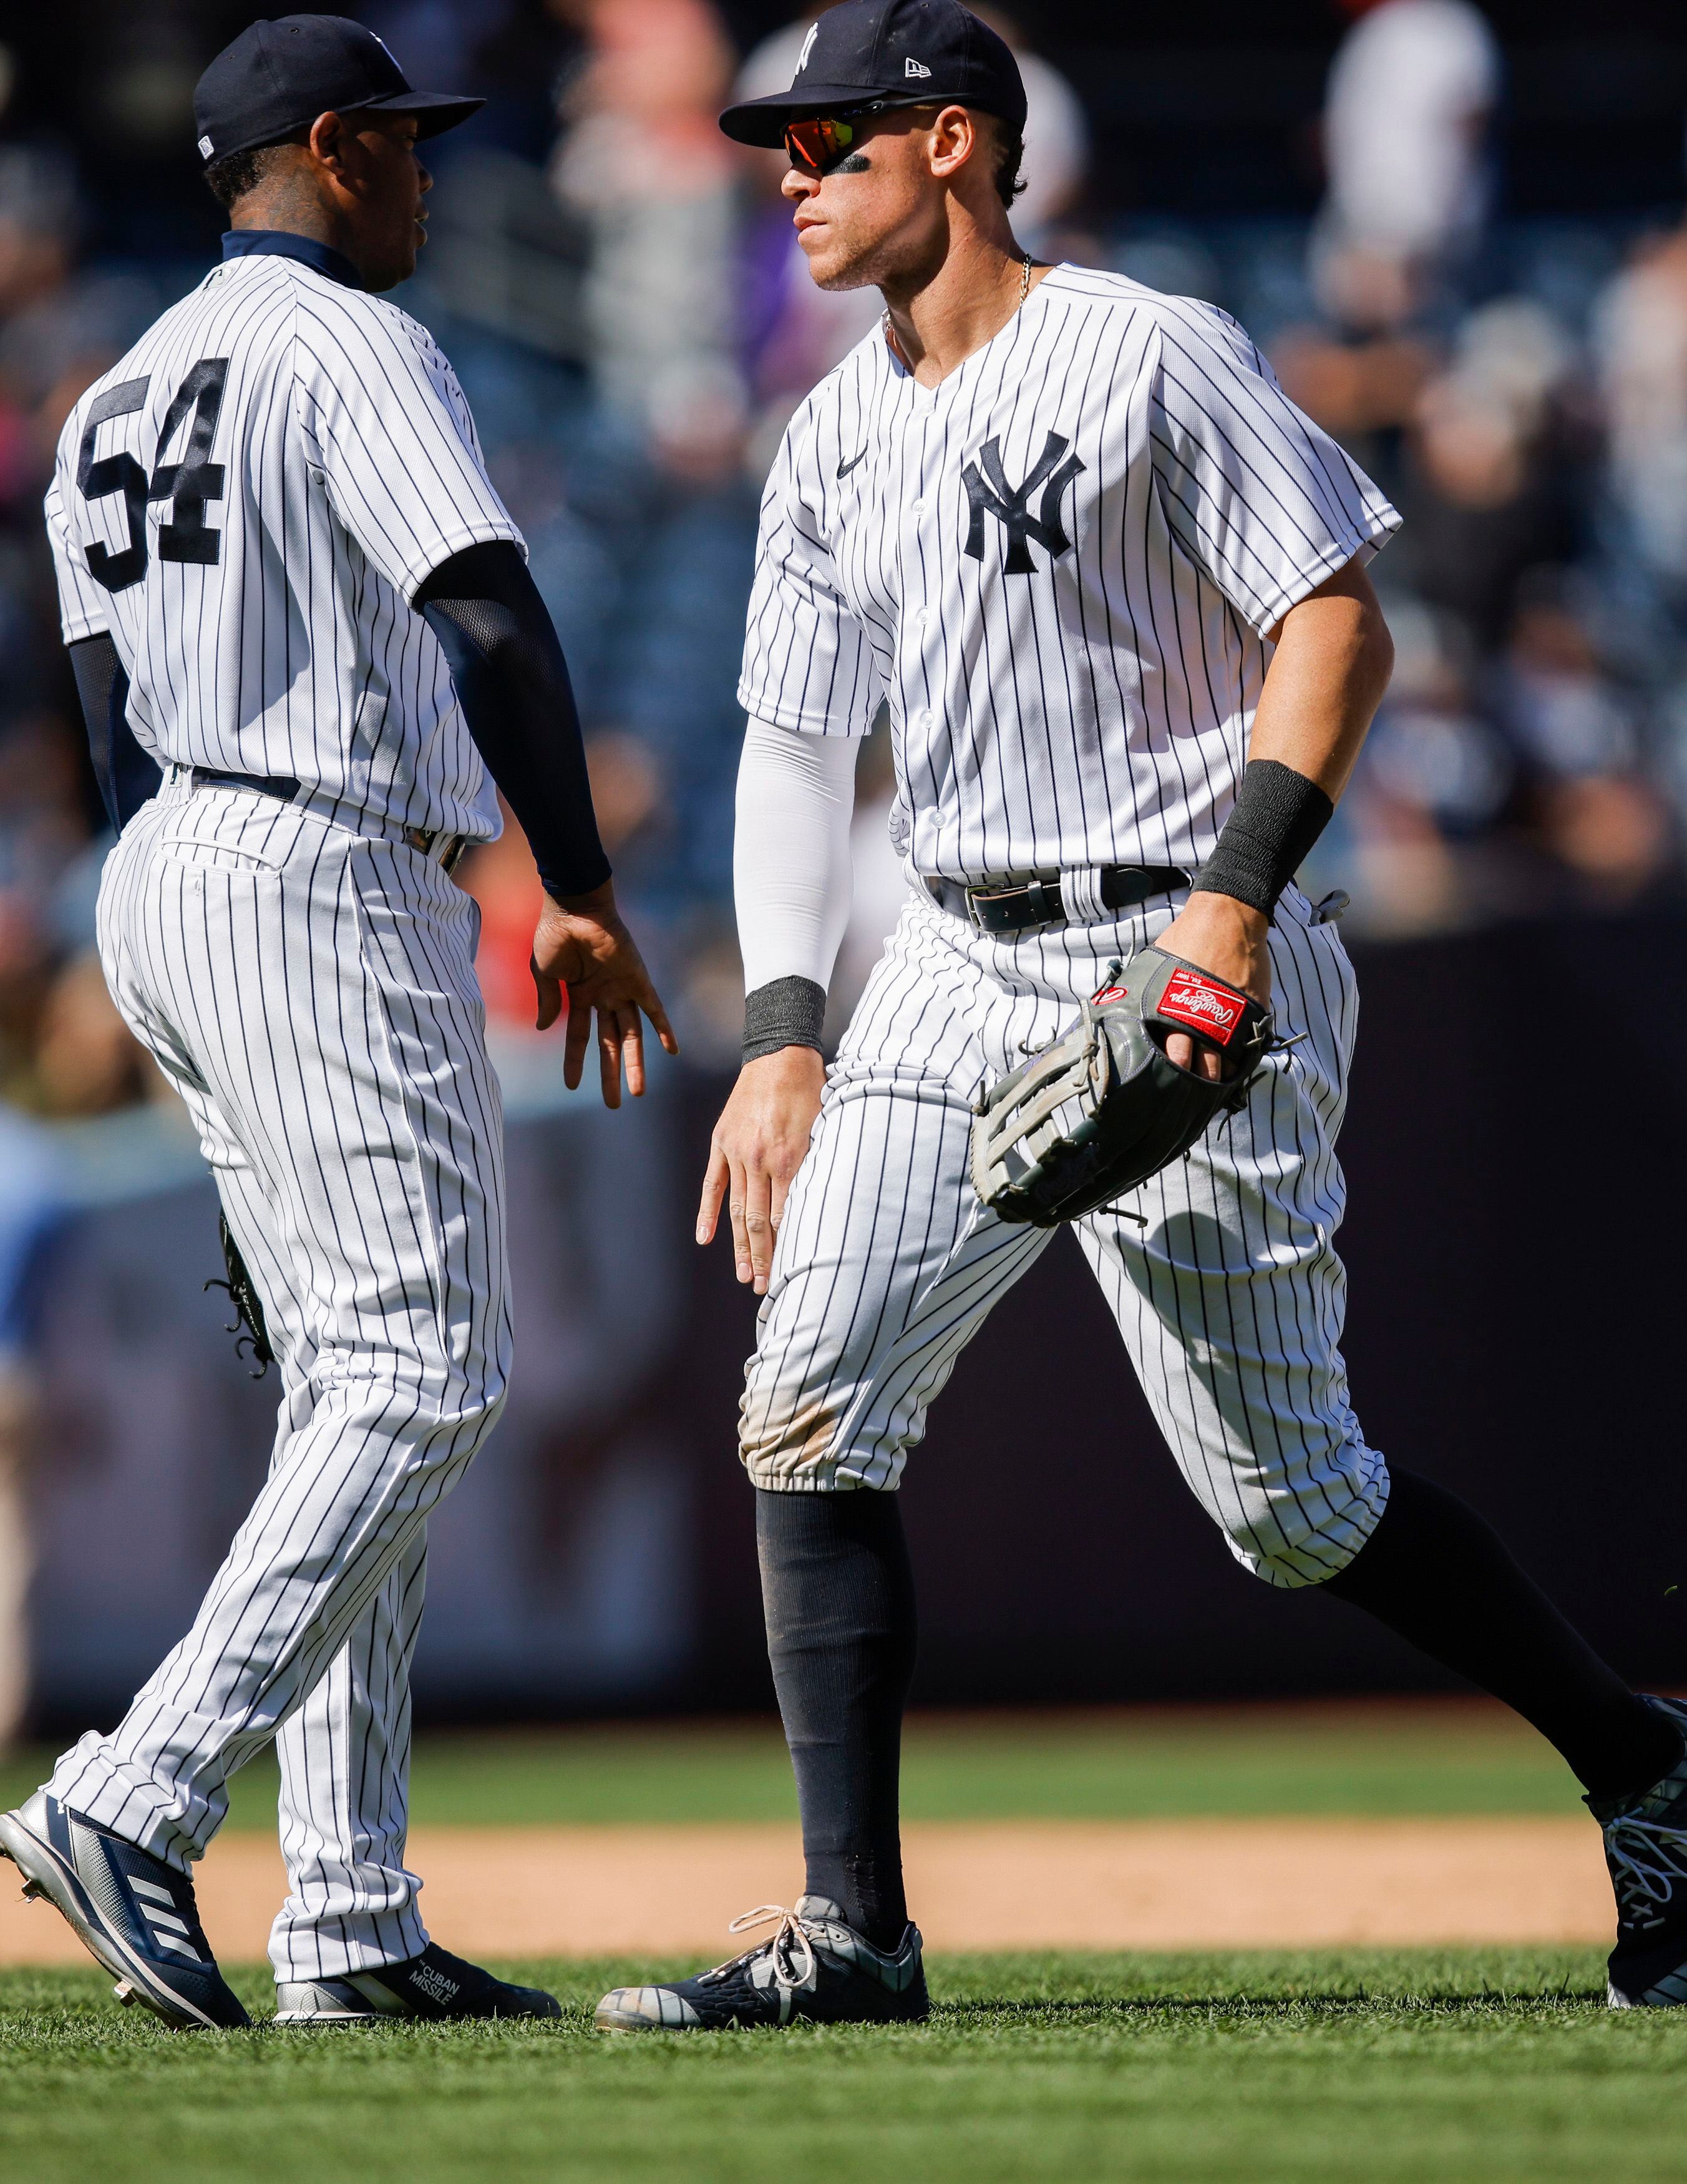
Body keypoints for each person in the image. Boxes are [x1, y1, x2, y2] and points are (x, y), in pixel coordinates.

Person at [595, 0, 1687, 2033]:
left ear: (951, 141)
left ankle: (1650, 1769)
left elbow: (1340, 616)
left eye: (830, 136)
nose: (791, 174)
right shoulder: (830, 427)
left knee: (1293, 1506)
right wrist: (787, 1028)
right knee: (806, 1395)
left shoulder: (1147, 348)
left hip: (1192, 952)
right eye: (781, 142)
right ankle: (854, 1932)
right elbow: (786, 747)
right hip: (953, 948)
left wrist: (1231, 908)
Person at [0, 13, 674, 2031]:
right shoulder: (349, 344)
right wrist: (580, 880)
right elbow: (484, 605)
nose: (426, 169)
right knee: (432, 1366)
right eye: (399, 136)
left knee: (348, 1381)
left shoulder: (109, 393)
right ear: (323, 147)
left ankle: (351, 1919)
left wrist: (185, 982)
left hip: (174, 871)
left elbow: (108, 725)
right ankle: (132, 1790)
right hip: (317, 854)